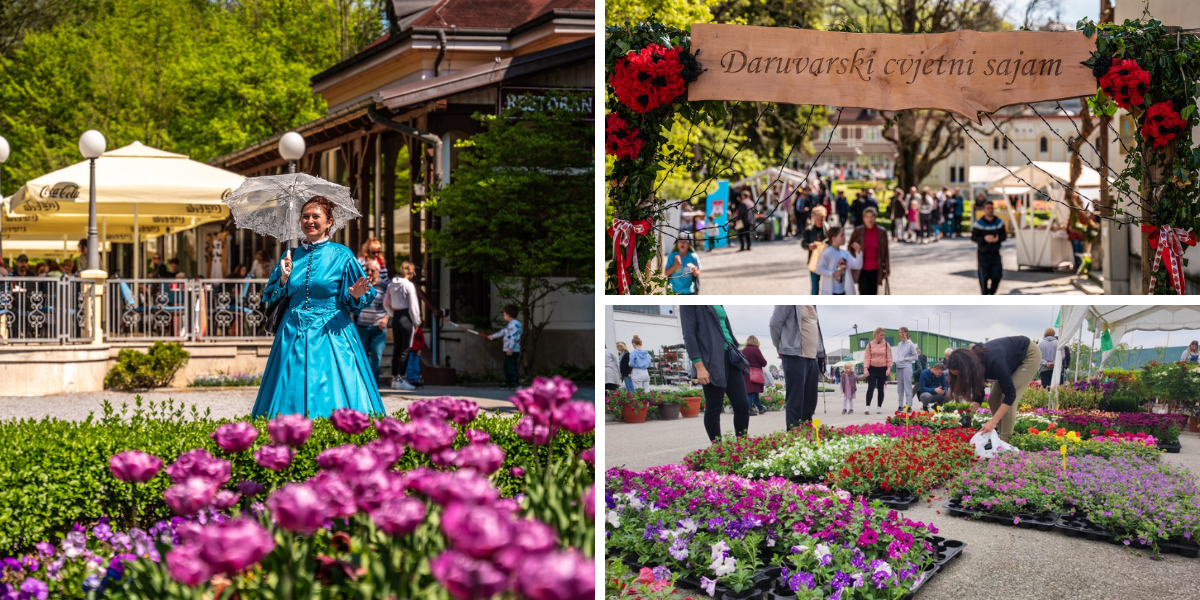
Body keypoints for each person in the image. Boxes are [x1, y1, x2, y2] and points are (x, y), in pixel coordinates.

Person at [251, 195, 383, 419]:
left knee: (333, 384)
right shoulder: (289, 256)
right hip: (292, 332)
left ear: (329, 222)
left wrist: (355, 295)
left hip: (332, 333)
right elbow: (270, 297)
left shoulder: (343, 255)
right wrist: (283, 279)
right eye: (305, 216)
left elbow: (363, 296)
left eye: (315, 216)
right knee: (288, 384)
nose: (309, 221)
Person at [947, 336, 1040, 442]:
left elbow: (1010, 395)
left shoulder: (994, 361)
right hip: (1010, 360)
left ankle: (1005, 443)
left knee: (1006, 398)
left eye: (961, 375)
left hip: (1028, 355)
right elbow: (979, 395)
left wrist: (992, 422)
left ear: (967, 368)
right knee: (993, 399)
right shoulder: (975, 364)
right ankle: (1000, 437)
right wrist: (968, 416)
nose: (960, 379)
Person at [681, 306, 751, 442]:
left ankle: (742, 444)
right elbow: (689, 334)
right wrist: (699, 366)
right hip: (711, 359)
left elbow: (724, 327)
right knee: (714, 406)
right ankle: (718, 449)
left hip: (731, 357)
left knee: (742, 405)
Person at [769, 305, 826, 428]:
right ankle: (794, 434)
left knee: (810, 400)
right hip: (795, 355)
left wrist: (821, 354)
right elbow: (774, 324)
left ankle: (806, 431)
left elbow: (816, 328)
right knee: (796, 399)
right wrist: (780, 346)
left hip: (812, 357)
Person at [383, 260, 421, 390]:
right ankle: (400, 378)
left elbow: (386, 301)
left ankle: (395, 378)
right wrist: (417, 322)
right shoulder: (408, 285)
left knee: (396, 348)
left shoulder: (392, 284)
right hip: (406, 317)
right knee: (405, 349)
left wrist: (391, 313)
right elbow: (413, 305)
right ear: (410, 272)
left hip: (396, 317)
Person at [354, 260, 389, 381]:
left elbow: (391, 305)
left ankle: (374, 382)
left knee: (376, 355)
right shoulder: (362, 285)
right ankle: (364, 381)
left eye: (372, 270)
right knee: (361, 355)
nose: (369, 272)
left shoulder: (384, 285)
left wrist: (386, 318)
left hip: (378, 326)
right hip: (362, 325)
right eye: (367, 270)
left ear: (378, 272)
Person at [849, 208, 889, 295]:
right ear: (864, 219)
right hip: (862, 268)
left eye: (872, 217)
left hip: (876, 268)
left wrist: (887, 270)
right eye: (867, 217)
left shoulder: (882, 232)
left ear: (875, 218)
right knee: (863, 292)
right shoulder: (858, 231)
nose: (869, 219)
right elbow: (850, 249)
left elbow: (885, 253)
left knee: (873, 293)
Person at [971, 200, 1007, 295]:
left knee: (997, 276)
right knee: (984, 277)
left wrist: (998, 239)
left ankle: (992, 292)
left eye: (991, 208)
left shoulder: (999, 222)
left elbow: (1004, 235)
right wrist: (983, 238)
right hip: (983, 254)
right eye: (988, 208)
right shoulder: (979, 223)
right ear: (983, 210)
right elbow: (973, 237)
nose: (990, 210)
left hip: (995, 253)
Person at [815, 226, 863, 295]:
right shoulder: (828, 253)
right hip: (831, 291)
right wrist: (833, 274)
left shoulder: (845, 253)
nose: (844, 237)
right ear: (834, 238)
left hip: (844, 291)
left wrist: (858, 253)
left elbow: (857, 265)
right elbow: (819, 269)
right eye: (842, 235)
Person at [488, 305, 523, 390]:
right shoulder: (511, 325)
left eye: (504, 314)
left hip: (511, 350)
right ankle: (509, 383)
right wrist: (493, 336)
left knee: (511, 366)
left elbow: (514, 337)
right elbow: (503, 332)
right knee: (507, 366)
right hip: (508, 349)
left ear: (508, 315)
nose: (504, 316)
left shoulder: (514, 325)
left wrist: (510, 348)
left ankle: (515, 383)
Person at [862, 327, 891, 415]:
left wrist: (889, 368)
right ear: (876, 334)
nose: (882, 337)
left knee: (881, 388)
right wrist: (865, 368)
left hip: (883, 368)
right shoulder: (870, 345)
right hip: (872, 368)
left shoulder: (886, 344)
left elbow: (889, 357)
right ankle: (867, 407)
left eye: (883, 335)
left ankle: (879, 407)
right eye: (881, 335)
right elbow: (867, 357)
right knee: (871, 387)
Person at [803, 206, 831, 294]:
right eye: (818, 219)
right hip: (814, 261)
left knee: (828, 286)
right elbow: (803, 243)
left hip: (827, 262)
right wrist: (808, 246)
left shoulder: (828, 229)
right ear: (814, 219)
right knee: (815, 287)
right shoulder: (809, 230)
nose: (820, 221)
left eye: (822, 219)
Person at [894, 327, 920, 411]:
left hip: (906, 367)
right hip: (899, 366)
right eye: (898, 332)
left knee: (907, 386)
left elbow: (915, 356)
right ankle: (900, 405)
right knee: (900, 387)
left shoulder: (910, 344)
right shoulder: (899, 344)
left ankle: (909, 405)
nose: (899, 334)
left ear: (906, 333)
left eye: (901, 332)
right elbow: (898, 355)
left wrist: (906, 359)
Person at [742, 335, 769, 416]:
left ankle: (760, 408)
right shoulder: (756, 350)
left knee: (753, 391)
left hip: (746, 373)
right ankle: (748, 409)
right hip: (755, 373)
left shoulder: (744, 350)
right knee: (752, 392)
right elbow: (763, 362)